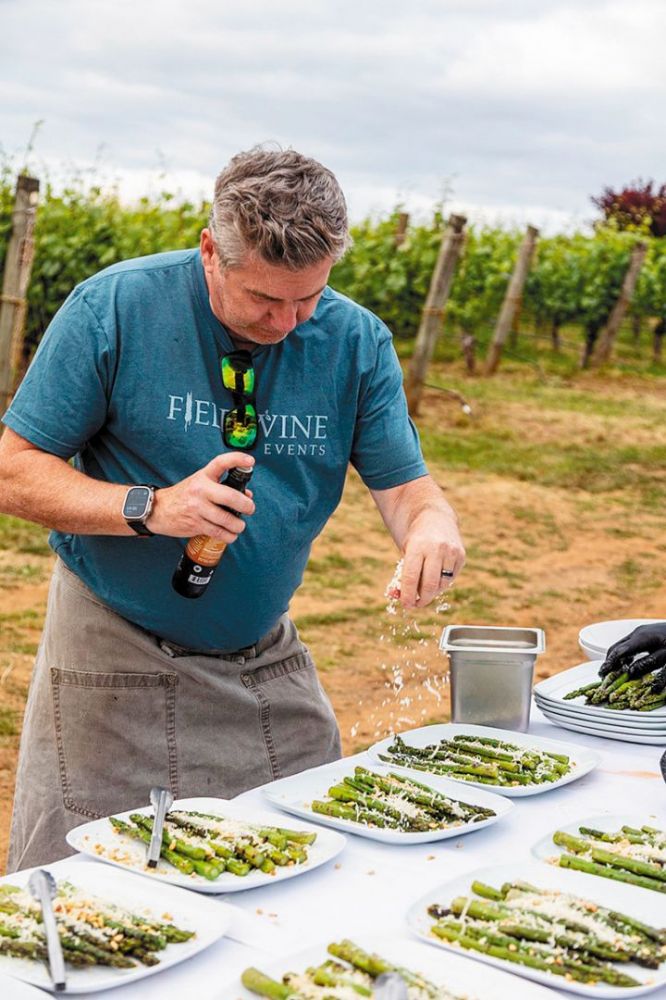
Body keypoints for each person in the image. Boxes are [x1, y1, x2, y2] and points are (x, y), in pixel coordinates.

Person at [0, 146, 465, 872]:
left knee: (305, 864)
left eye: (307, 298)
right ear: (211, 251)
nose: (287, 322)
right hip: (112, 650)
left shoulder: (355, 340)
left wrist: (431, 528)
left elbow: (406, 488)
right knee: (92, 881)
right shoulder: (114, 308)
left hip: (264, 657)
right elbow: (13, 471)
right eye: (265, 300)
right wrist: (150, 507)